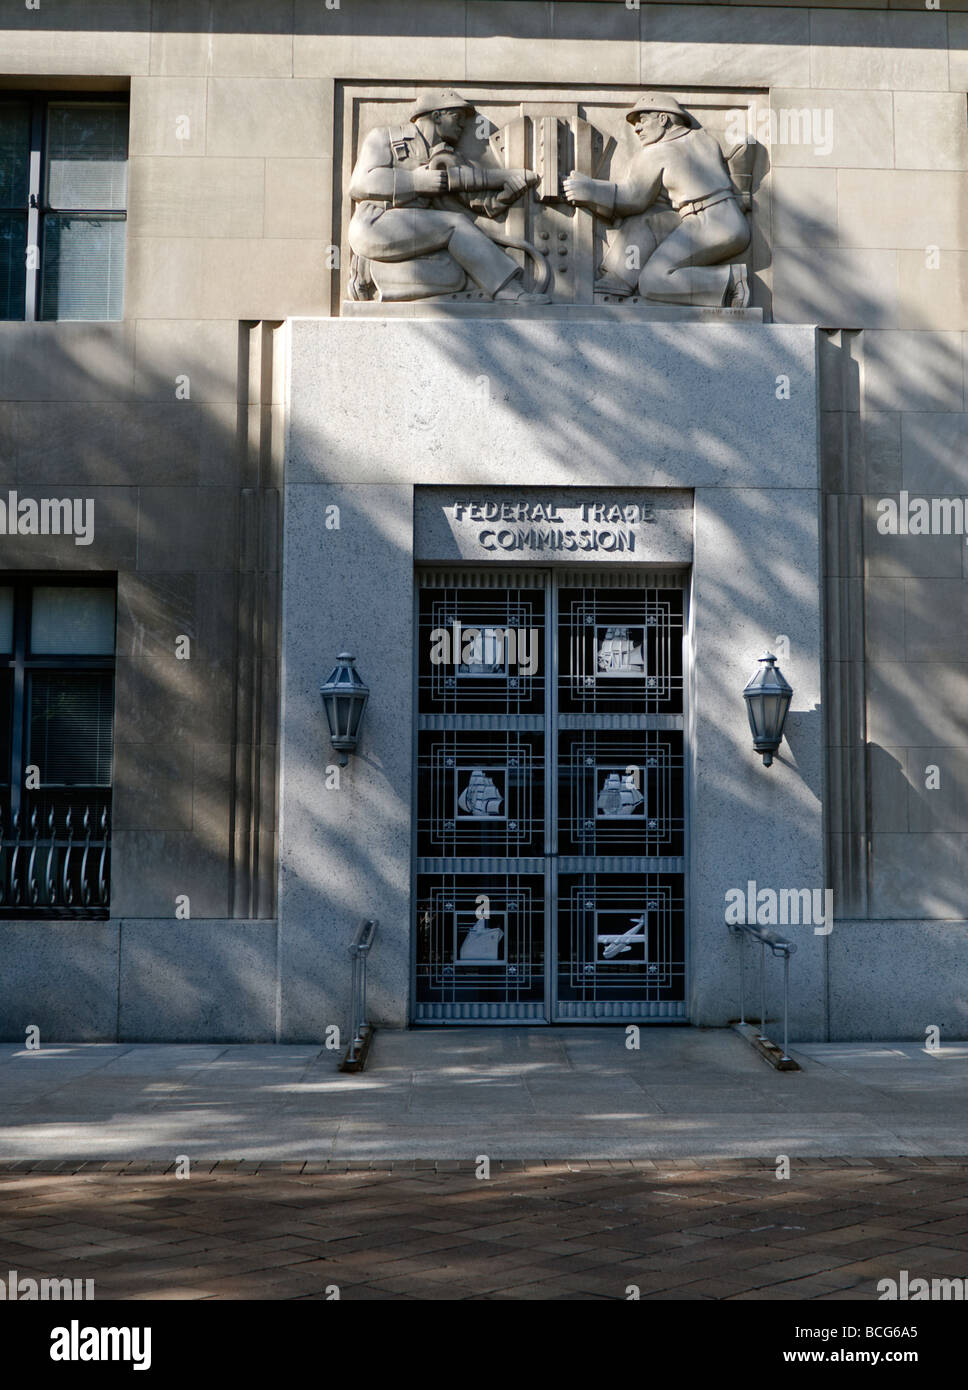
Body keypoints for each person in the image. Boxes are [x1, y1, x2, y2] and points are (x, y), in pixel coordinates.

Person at [348, 88, 547, 302]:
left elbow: (475, 201)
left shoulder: (445, 155)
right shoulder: (384, 136)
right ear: (436, 116)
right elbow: (360, 184)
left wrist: (506, 195)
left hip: (414, 235)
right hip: (375, 223)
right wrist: (416, 181)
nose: (462, 125)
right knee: (455, 224)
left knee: (454, 275)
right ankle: (508, 291)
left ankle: (372, 271)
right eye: (457, 117)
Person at [562, 94, 751, 307]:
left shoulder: (657, 152)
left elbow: (633, 198)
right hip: (721, 218)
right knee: (647, 220)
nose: (637, 129)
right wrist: (741, 189)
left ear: (663, 119)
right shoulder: (705, 138)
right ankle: (620, 278)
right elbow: (742, 144)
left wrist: (590, 190)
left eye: (643, 119)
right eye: (635, 124)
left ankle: (730, 281)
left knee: (652, 281)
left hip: (711, 225)